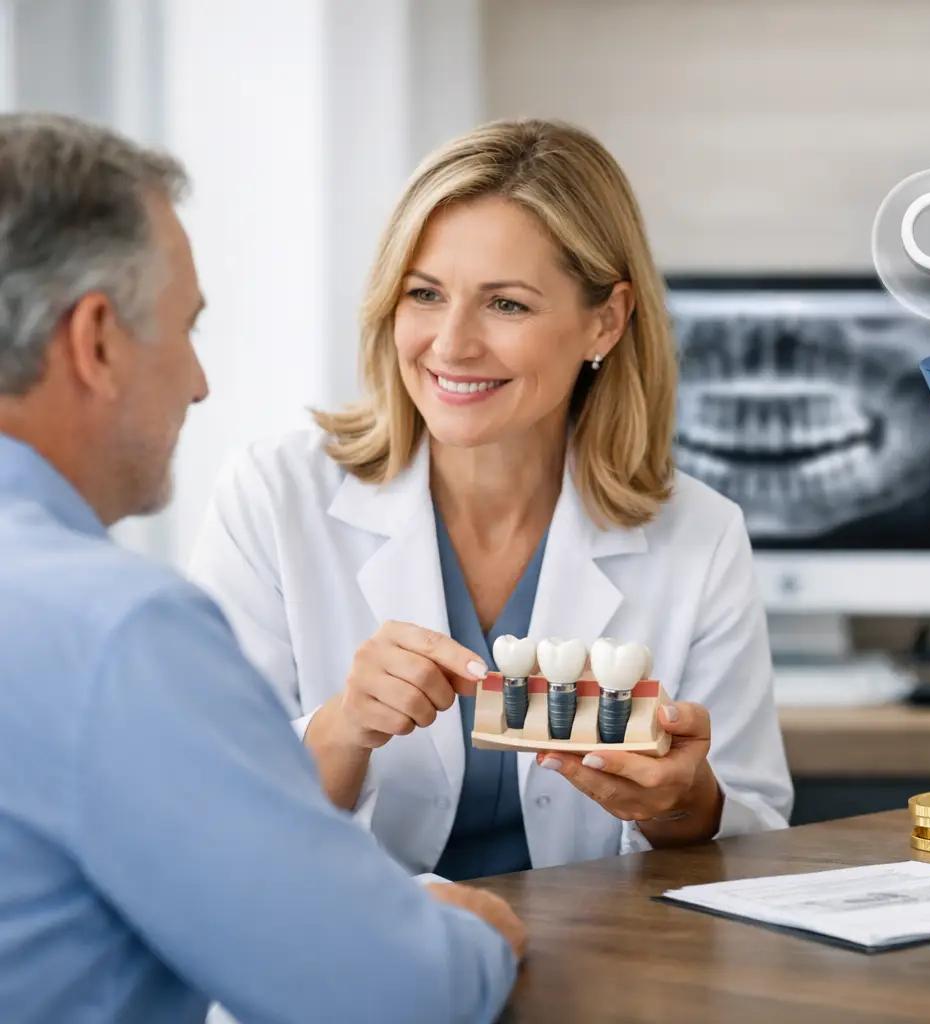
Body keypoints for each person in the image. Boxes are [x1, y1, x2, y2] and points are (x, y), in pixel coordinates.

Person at [0, 113, 522, 1022]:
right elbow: (388, 992)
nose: (200, 382)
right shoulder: (115, 632)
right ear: (95, 341)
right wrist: (469, 931)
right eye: (185, 328)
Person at [189, 119, 793, 879]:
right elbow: (203, 820)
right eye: (425, 294)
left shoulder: (698, 534)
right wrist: (343, 729)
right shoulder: (274, 500)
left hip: (598, 975)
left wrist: (681, 802)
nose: (451, 344)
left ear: (605, 320)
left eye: (506, 305)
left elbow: (758, 831)